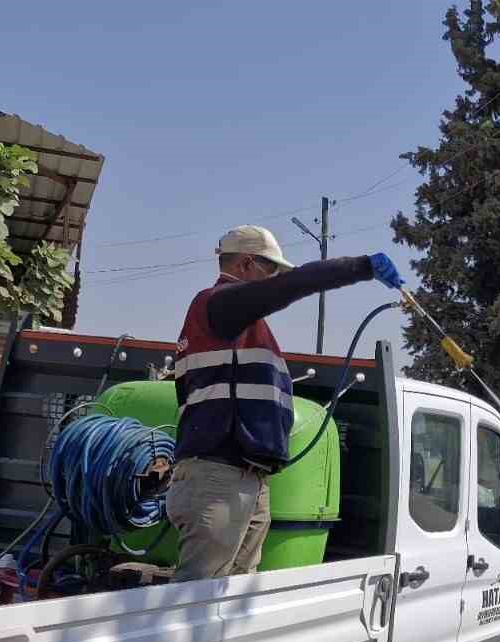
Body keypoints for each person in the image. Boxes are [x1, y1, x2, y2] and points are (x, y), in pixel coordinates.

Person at [166, 225, 403, 580]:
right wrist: (361, 267)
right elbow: (293, 286)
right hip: (219, 476)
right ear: (247, 265)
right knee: (197, 603)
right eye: (271, 269)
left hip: (244, 476)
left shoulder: (236, 327)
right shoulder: (218, 305)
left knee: (234, 598)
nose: (275, 278)